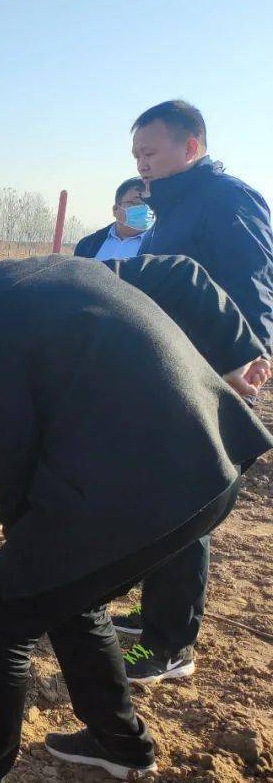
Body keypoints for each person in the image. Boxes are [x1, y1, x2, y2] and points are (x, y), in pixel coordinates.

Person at [0, 224, 272, 783]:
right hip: (211, 463)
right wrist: (237, 353)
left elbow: (8, 454)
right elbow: (179, 275)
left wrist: (25, 545)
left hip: (148, 484)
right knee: (67, 593)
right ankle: (120, 745)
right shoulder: (63, 267)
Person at [114, 99, 273, 683]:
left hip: (211, 376)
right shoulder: (166, 207)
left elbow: (254, 287)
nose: (142, 164)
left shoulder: (227, 200)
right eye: (136, 155)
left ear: (191, 146)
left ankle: (169, 644)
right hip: (168, 368)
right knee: (158, 499)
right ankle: (156, 610)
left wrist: (246, 363)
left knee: (184, 502)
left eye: (150, 152)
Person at [74, 177, 153, 260]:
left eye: (150, 203)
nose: (145, 209)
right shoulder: (87, 244)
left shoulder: (161, 246)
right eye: (136, 203)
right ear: (116, 209)